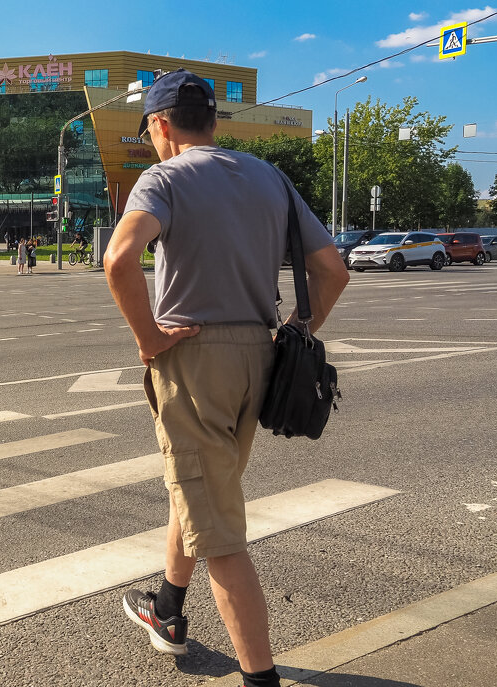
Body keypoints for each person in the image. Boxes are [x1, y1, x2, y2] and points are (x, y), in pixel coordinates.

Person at [104, 69, 349, 687]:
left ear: (160, 125)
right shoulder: (271, 177)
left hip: (193, 360)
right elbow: (333, 271)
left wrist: (149, 340)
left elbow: (119, 259)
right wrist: (298, 328)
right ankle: (167, 609)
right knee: (201, 488)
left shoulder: (162, 178)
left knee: (218, 529)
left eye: (151, 132)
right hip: (259, 355)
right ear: (213, 122)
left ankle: (259, 678)